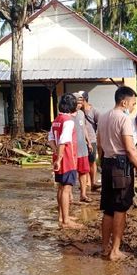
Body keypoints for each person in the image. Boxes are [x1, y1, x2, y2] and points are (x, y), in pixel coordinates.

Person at [96, 86, 137, 261]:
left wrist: (102, 163)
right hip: (121, 167)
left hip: (107, 165)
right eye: (133, 103)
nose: (134, 106)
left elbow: (99, 145)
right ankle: (115, 251)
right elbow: (129, 149)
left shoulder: (103, 117)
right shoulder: (124, 119)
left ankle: (105, 247)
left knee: (108, 209)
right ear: (124, 102)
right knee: (120, 209)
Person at [48, 93, 80, 229]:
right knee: (66, 189)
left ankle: (61, 216)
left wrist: (56, 154)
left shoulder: (57, 119)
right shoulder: (68, 121)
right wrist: (60, 158)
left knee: (61, 188)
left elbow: (50, 139)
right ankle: (66, 220)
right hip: (67, 159)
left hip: (59, 157)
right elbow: (63, 141)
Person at [72, 93, 93, 203]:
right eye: (78, 102)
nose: (80, 104)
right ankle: (69, 195)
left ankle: (83, 194)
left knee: (83, 172)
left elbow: (84, 127)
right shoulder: (67, 115)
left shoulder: (81, 113)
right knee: (71, 172)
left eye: (81, 102)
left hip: (82, 148)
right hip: (72, 149)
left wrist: (88, 142)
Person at [80, 91, 101, 190]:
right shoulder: (78, 112)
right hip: (80, 141)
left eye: (80, 100)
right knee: (83, 162)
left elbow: (100, 126)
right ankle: (86, 182)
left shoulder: (94, 111)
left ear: (84, 100)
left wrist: (98, 140)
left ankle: (92, 182)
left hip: (92, 140)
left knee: (92, 162)